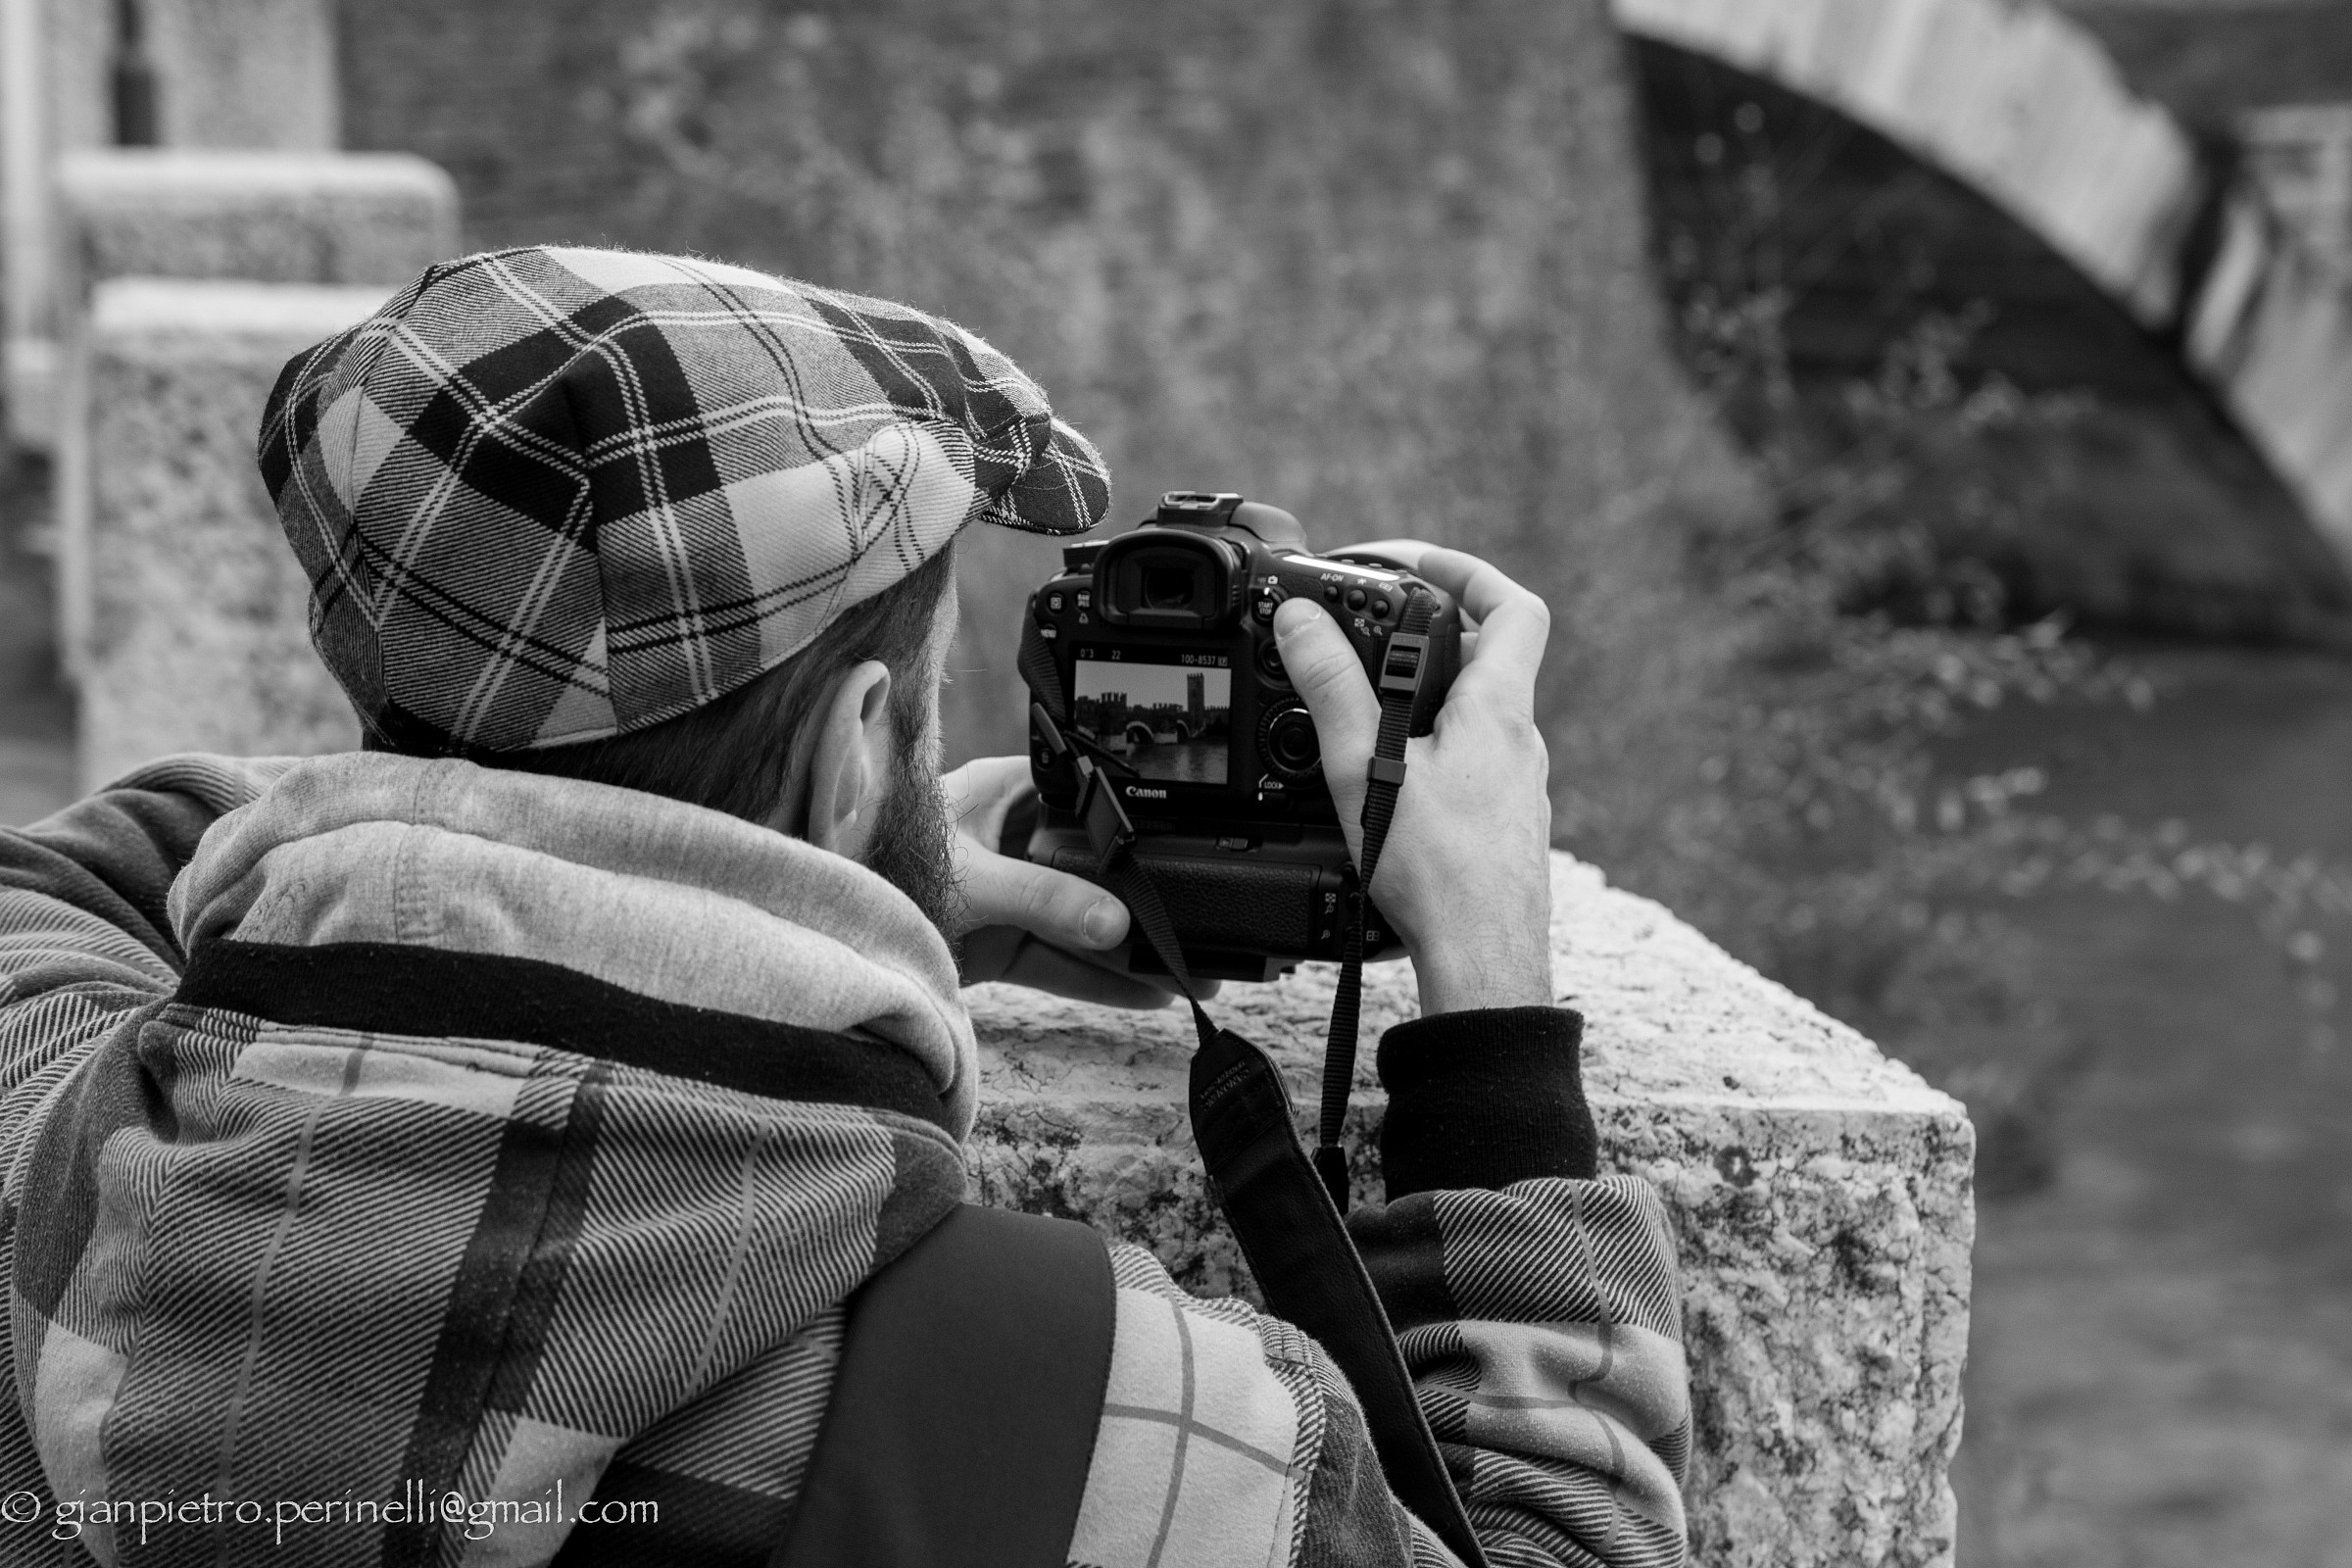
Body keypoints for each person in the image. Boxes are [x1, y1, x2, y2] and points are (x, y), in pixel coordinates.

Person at [0, 246, 1689, 1567]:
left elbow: (85, 865)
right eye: (920, 698)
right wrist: (1489, 1001)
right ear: (848, 753)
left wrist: (739, 894)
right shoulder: (1109, 1424)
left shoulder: (54, 1165)